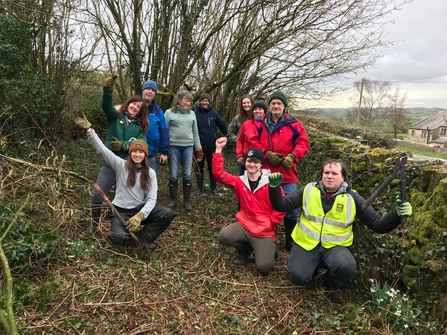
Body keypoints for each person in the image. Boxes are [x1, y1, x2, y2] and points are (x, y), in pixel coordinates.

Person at [268, 159, 413, 303]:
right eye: (326, 172)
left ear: (343, 177)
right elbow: (282, 205)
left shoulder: (353, 198)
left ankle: (331, 284)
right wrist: (274, 188)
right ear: (322, 175)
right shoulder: (308, 190)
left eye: (334, 173)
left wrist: (396, 214)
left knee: (346, 267)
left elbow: (378, 225)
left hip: (334, 248)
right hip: (306, 244)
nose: (329, 176)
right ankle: (310, 271)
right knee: (297, 277)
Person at [75, 115, 176, 249]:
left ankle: (143, 238)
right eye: (134, 152)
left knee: (167, 213)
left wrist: (140, 215)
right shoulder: (120, 165)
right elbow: (103, 150)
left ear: (145, 155)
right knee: (118, 237)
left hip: (139, 210)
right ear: (130, 153)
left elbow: (152, 199)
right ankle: (132, 239)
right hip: (121, 211)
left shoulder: (150, 173)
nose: (137, 155)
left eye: (141, 152)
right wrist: (89, 130)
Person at [213, 137, 285, 275]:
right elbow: (219, 174)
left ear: (261, 165)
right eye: (249, 161)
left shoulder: (271, 184)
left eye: (256, 162)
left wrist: (270, 224)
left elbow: (280, 207)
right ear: (245, 162)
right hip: (245, 225)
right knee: (223, 236)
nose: (252, 164)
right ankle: (245, 248)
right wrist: (218, 149)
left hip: (264, 230)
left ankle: (271, 250)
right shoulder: (240, 182)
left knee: (264, 268)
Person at [89, 76, 149, 234]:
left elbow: (142, 144)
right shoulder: (115, 117)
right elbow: (106, 105)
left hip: (127, 167)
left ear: (140, 112)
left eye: (138, 107)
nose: (135, 107)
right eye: (133, 104)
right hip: (110, 164)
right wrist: (108, 90)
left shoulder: (140, 127)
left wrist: (124, 145)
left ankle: (115, 225)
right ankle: (94, 224)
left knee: (119, 200)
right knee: (97, 195)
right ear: (128, 104)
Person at [255, 91, 310, 251]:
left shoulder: (294, 124)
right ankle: (268, 239)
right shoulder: (260, 123)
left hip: (287, 174)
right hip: (265, 172)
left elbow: (303, 143)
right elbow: (252, 142)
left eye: (279, 103)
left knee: (291, 208)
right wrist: (266, 155)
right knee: (266, 207)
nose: (276, 106)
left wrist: (293, 156)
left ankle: (290, 240)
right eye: (273, 103)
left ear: (284, 106)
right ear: (269, 106)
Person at [164, 90, 203, 211]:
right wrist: (164, 149)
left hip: (188, 147)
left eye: (190, 101)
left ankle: (187, 202)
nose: (188, 103)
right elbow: (164, 132)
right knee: (174, 174)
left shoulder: (191, 114)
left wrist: (199, 149)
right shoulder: (169, 113)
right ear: (179, 100)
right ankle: (173, 200)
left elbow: (195, 133)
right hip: (173, 147)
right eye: (186, 100)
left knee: (187, 174)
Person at [194, 93, 228, 196]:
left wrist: (229, 136)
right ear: (199, 101)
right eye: (203, 100)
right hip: (198, 146)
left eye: (206, 101)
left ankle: (213, 188)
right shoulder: (194, 114)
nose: (205, 102)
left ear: (209, 102)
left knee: (212, 168)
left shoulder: (214, 114)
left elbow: (223, 126)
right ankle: (199, 188)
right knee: (199, 167)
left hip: (212, 146)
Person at [141, 80, 170, 174]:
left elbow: (164, 132)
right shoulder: (134, 105)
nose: (150, 92)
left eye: (153, 90)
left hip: (152, 153)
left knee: (151, 183)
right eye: (148, 89)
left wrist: (164, 152)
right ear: (143, 90)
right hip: (135, 152)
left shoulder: (158, 111)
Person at [236, 99, 268, 176]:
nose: (257, 111)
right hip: (246, 161)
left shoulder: (268, 126)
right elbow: (240, 140)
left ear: (264, 111)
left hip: (263, 163)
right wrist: (239, 155)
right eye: (255, 109)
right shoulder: (246, 124)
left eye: (260, 109)